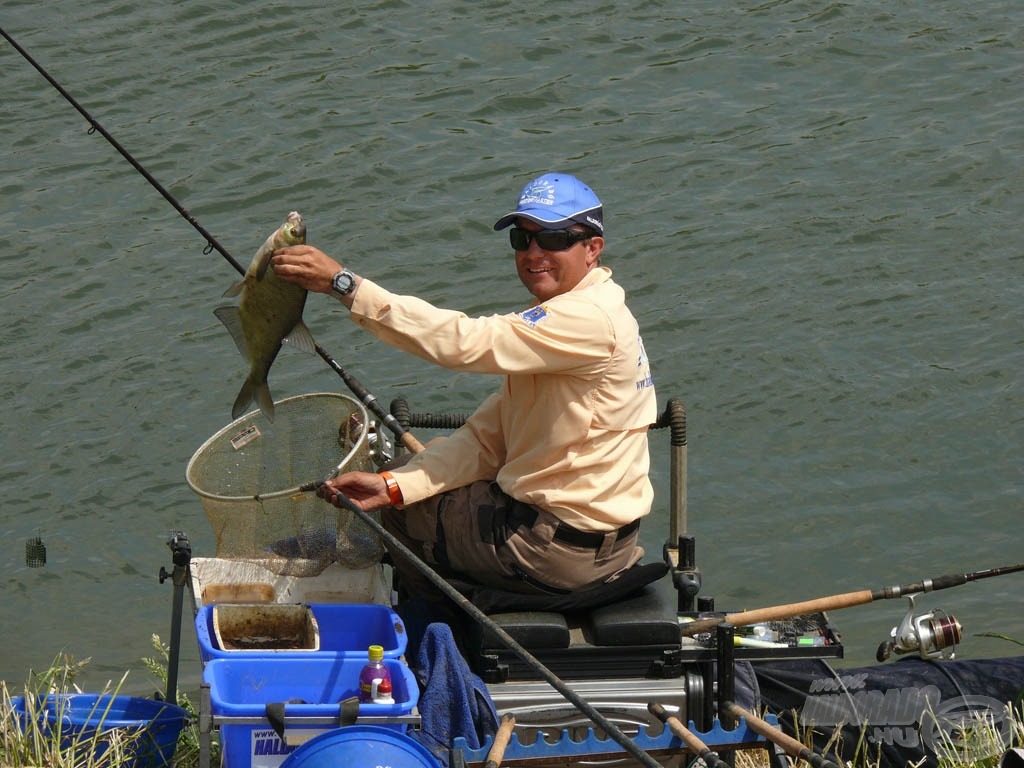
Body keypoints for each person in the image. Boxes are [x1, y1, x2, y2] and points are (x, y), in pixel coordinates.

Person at [272, 173, 657, 601]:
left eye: (554, 239)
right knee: (399, 482)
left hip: (553, 551)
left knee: (402, 521)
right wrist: (395, 486)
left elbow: (464, 342)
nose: (534, 254)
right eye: (522, 239)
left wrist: (344, 285)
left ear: (593, 249)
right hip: (599, 543)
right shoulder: (572, 319)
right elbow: (488, 440)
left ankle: (432, 637)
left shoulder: (585, 319)